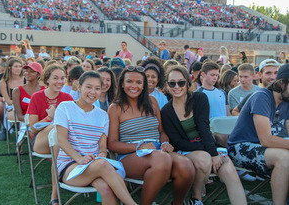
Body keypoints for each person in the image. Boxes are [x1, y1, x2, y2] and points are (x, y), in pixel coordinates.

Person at [107, 66, 195, 205]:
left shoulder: (152, 101)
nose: (134, 86)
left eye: (139, 82)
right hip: (131, 155)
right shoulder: (115, 108)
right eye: (130, 81)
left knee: (186, 165)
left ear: (144, 85)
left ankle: (177, 203)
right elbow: (112, 144)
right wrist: (139, 146)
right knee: (161, 159)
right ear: (122, 84)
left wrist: (165, 143)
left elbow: (161, 132)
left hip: (158, 150)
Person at [161, 66, 247, 205]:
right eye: (172, 83)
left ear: (188, 83)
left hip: (208, 145)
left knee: (229, 171)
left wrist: (214, 153)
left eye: (181, 83)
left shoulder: (199, 98)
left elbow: (204, 127)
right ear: (167, 85)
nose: (177, 87)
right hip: (187, 150)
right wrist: (211, 153)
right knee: (204, 159)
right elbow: (177, 142)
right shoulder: (166, 111)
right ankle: (196, 198)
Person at [54, 71, 137, 205]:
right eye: (88, 87)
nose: (93, 92)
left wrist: (102, 153)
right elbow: (61, 140)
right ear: (79, 87)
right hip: (69, 167)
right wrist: (80, 158)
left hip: (94, 165)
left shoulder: (103, 115)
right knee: (104, 164)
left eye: (97, 88)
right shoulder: (65, 107)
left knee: (105, 188)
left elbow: (102, 146)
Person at [227, 64, 289, 205]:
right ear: (282, 84)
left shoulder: (286, 102)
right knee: (284, 158)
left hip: (266, 149)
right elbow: (265, 139)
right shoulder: (262, 97)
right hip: (240, 148)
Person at [27, 64, 74, 205]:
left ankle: (54, 197)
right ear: (47, 79)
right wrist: (49, 118)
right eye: (55, 78)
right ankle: (56, 193)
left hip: (59, 144)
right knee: (56, 127)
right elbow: (33, 129)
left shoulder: (68, 97)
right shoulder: (37, 97)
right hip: (39, 141)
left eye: (62, 78)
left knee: (57, 151)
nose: (59, 81)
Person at [196, 61, 231, 147]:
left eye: (216, 75)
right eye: (212, 75)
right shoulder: (198, 94)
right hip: (210, 133)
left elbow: (227, 113)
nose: (215, 78)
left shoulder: (222, 92)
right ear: (203, 74)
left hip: (225, 131)